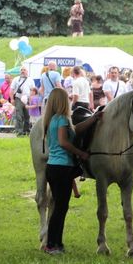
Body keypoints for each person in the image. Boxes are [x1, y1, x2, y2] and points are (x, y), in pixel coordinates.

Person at [41, 88, 101, 254]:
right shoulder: (61, 119)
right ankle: (52, 245)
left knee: (60, 207)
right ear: (62, 101)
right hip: (62, 168)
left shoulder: (53, 120)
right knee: (60, 208)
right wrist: (81, 153)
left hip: (53, 167)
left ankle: (56, 243)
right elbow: (63, 142)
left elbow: (76, 129)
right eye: (66, 99)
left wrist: (93, 118)